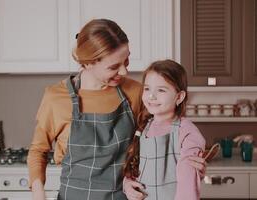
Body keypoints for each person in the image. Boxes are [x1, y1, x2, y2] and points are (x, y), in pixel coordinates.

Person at [27, 19, 206, 200]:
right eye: (114, 66)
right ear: (88, 63)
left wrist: (189, 163)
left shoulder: (136, 92)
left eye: (126, 61)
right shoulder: (56, 98)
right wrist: (38, 192)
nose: (124, 72)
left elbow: (163, 134)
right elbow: (38, 151)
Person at [122, 60, 206, 200]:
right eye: (147, 89)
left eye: (161, 90)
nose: (151, 96)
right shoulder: (143, 126)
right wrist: (127, 184)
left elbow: (188, 176)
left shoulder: (186, 131)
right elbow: (134, 164)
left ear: (179, 97)